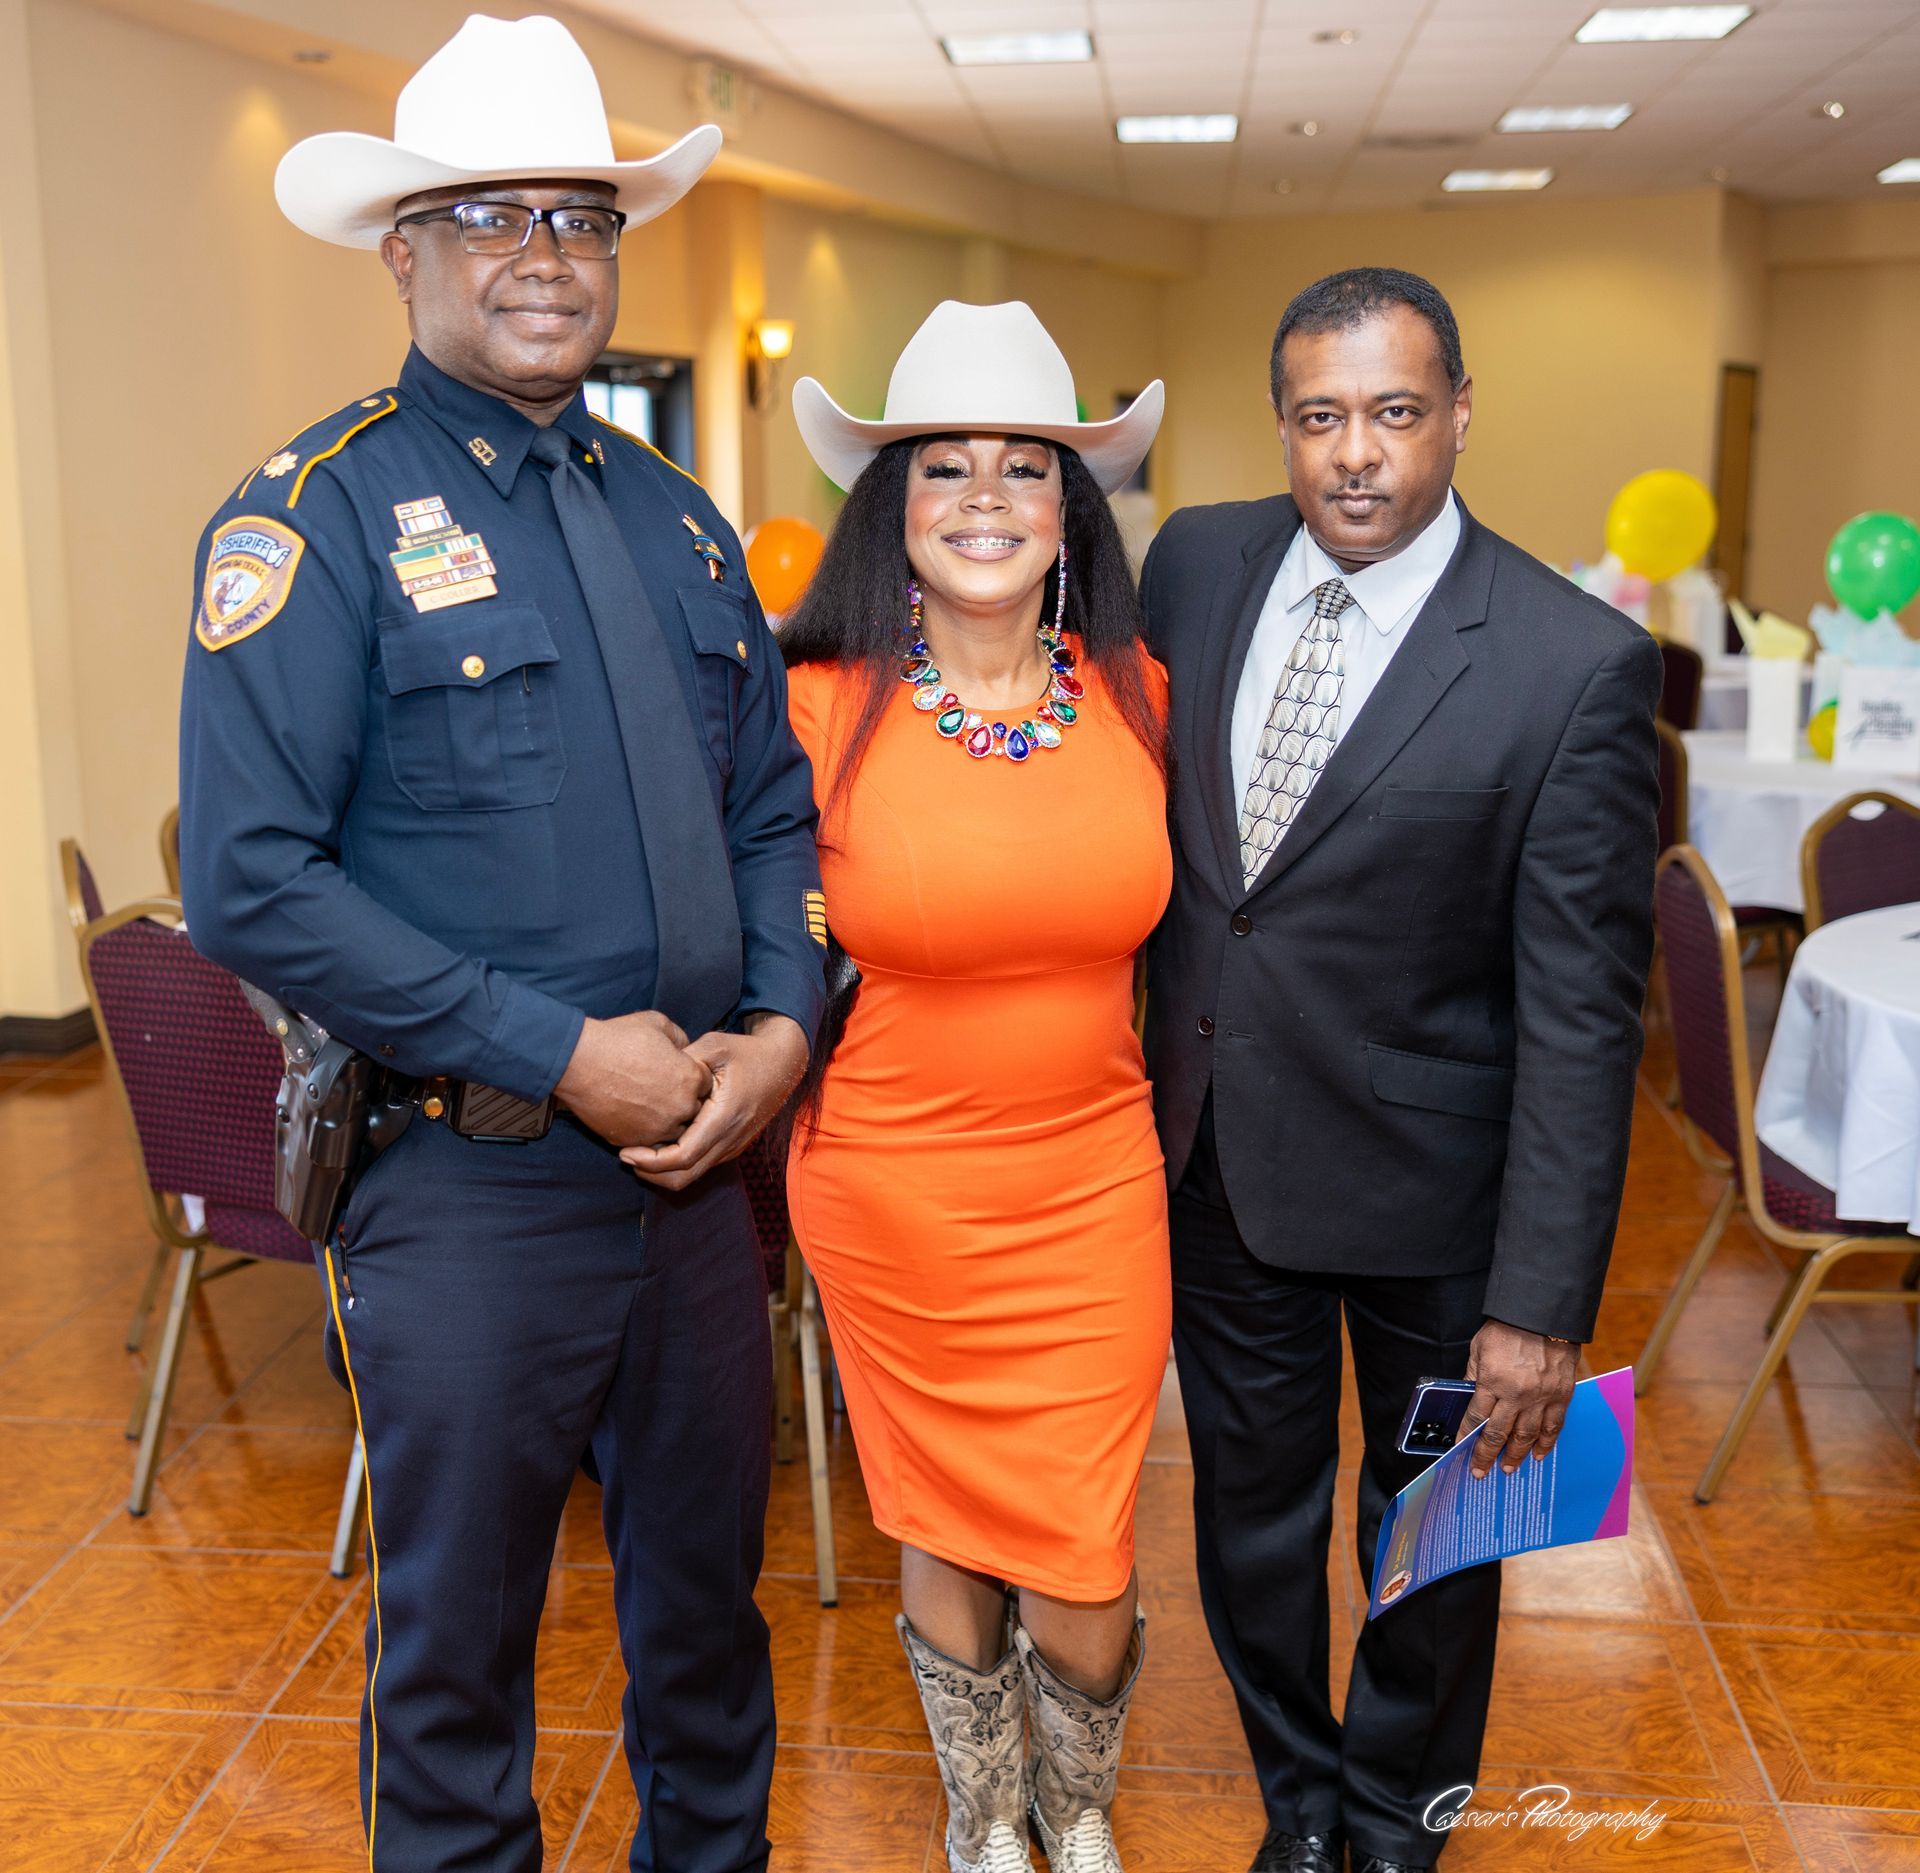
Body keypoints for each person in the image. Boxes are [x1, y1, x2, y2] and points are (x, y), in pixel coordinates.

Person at [177, 18, 825, 1872]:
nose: (546, 253)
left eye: (581, 216)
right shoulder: (317, 520)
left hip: (700, 1181)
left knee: (708, 1632)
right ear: (405, 253)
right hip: (469, 1186)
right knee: (457, 1659)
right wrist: (558, 1047)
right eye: (489, 217)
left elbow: (775, 810)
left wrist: (777, 1032)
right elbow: (255, 880)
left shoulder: (685, 525)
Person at [1140, 268, 1660, 1873]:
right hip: (1222, 1165)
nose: (1354, 454)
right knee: (1253, 1521)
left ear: (1457, 413)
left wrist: (1544, 1302)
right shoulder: (1197, 564)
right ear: (1281, 422)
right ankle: (1301, 1801)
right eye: (1319, 416)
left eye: (1393, 412)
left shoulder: (1571, 660)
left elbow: (1584, 1010)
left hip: (1447, 1210)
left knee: (1435, 1546)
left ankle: (1393, 1824)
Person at [778, 300, 1170, 1873]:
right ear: (895, 507)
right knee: (940, 1518)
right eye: (945, 468)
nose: (988, 496)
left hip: (1094, 1181)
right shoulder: (812, 705)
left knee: (1087, 1546)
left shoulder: (1141, 688)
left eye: (1027, 465)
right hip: (893, 1189)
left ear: (1073, 507)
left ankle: (1078, 1806)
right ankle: (983, 1818)